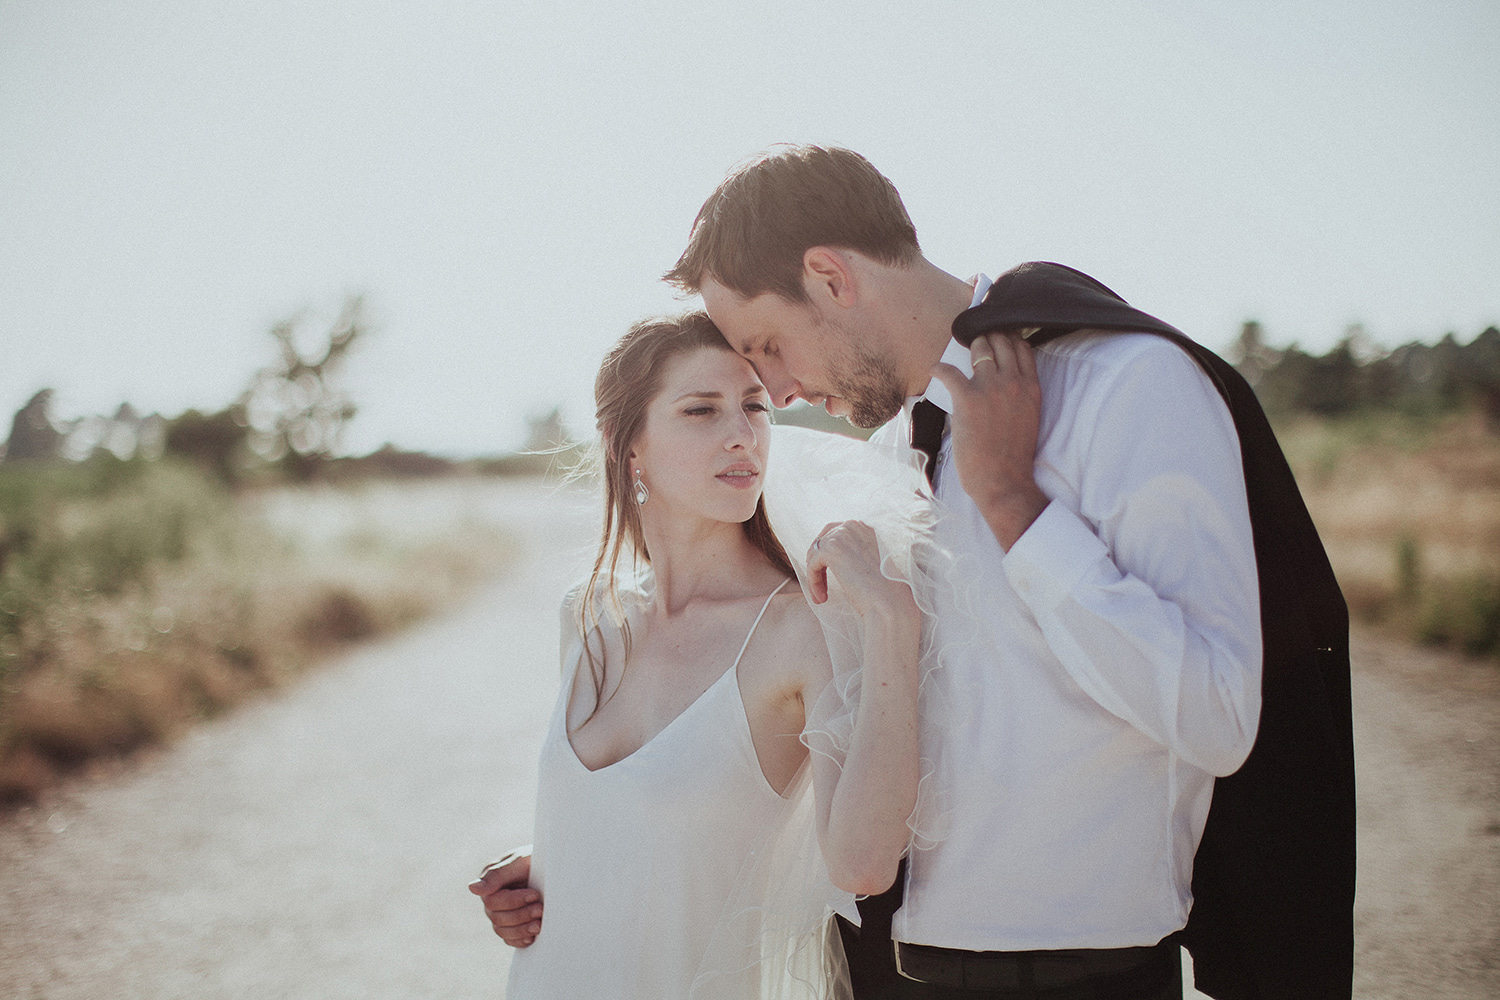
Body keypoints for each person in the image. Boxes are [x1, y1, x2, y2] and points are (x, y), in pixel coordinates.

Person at [658, 145, 1354, 1000]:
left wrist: (1014, 506)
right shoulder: (889, 452)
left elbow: (1218, 715)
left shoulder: (1128, 386)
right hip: (904, 972)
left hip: (1084, 980)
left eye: (767, 344)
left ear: (830, 276)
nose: (776, 389)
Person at [475, 311, 933, 999]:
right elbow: (672, 815)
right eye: (701, 410)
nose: (741, 434)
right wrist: (556, 863)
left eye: (754, 407)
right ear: (626, 442)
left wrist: (894, 621)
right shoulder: (589, 614)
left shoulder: (799, 630)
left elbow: (863, 866)